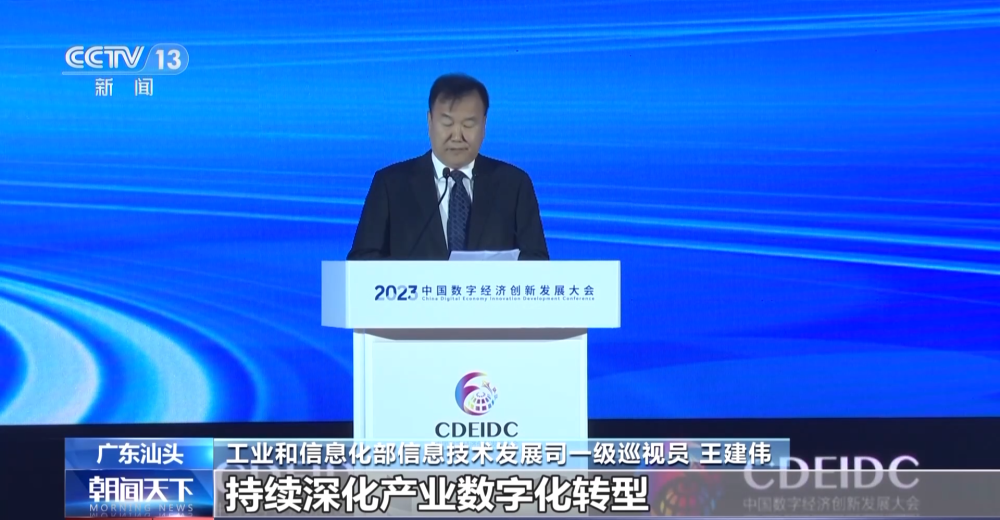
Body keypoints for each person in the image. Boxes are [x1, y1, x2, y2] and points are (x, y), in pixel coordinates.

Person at [347, 73, 549, 260]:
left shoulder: (514, 184)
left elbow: (536, 261)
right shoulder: (390, 184)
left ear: (484, 124)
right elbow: (361, 261)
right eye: (447, 123)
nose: (457, 136)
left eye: (468, 124)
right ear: (430, 121)